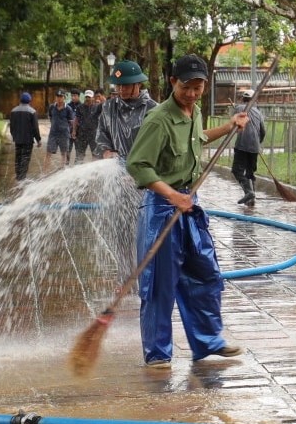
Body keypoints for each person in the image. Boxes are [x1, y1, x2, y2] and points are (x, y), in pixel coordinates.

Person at [124, 54, 247, 371]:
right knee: (160, 285)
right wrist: (171, 195)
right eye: (186, 87)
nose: (192, 93)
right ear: (172, 82)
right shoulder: (158, 120)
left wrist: (230, 126)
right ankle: (158, 353)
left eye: (198, 87)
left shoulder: (195, 111)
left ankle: (208, 340)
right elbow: (138, 165)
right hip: (161, 209)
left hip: (188, 204)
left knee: (204, 273)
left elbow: (197, 140)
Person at [95, 60, 155, 159]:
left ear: (138, 84)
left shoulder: (152, 109)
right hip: (115, 168)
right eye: (118, 85)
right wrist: (106, 151)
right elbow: (102, 132)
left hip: (142, 168)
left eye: (126, 85)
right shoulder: (108, 107)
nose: (121, 89)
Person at [230, 88, 266, 208]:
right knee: (250, 172)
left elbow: (233, 124)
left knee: (237, 170)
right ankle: (251, 199)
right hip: (255, 146)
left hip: (242, 144)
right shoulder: (259, 112)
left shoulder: (239, 108)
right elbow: (263, 131)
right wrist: (257, 143)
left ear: (243, 99)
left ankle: (249, 192)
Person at [7, 91, 41, 180]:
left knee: (18, 157)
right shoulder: (32, 112)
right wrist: (38, 139)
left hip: (18, 139)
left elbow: (12, 126)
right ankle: (22, 176)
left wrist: (14, 135)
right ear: (29, 101)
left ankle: (18, 174)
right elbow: (35, 128)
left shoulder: (13, 111)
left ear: (20, 100)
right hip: (28, 140)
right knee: (25, 158)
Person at [46, 89, 75, 170]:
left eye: (61, 97)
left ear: (64, 97)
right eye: (58, 97)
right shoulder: (52, 107)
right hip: (53, 134)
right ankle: (44, 173)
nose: (59, 98)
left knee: (64, 153)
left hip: (64, 134)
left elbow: (71, 122)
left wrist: (69, 131)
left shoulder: (68, 109)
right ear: (56, 97)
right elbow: (51, 117)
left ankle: (63, 170)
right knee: (48, 153)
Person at [75, 90, 101, 164]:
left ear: (93, 98)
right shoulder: (80, 107)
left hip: (93, 134)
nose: (87, 99)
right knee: (80, 153)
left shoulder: (97, 107)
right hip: (82, 134)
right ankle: (78, 169)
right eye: (86, 97)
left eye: (89, 97)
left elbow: (104, 115)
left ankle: (95, 170)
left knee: (95, 153)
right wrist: (74, 131)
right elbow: (76, 120)